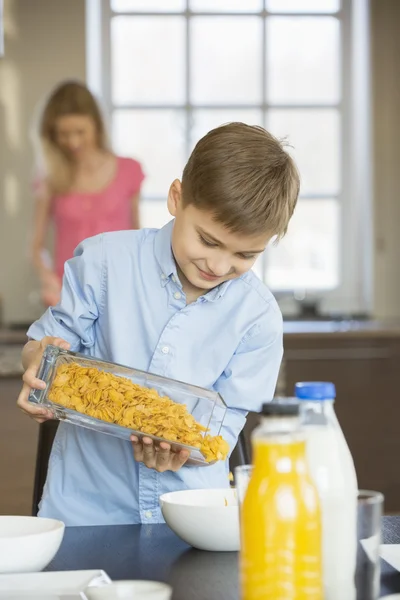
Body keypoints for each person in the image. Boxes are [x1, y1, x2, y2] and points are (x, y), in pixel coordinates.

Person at [17, 122, 300, 526]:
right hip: (85, 510)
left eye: (245, 255)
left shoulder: (258, 317)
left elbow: (224, 428)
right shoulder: (103, 262)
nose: (218, 266)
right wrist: (36, 363)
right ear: (176, 198)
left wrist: (190, 448)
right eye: (208, 240)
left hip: (196, 518)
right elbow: (44, 344)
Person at [30, 80, 144, 306]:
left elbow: (138, 238)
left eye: (80, 132)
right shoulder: (50, 179)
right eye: (63, 134)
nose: (73, 142)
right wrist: (48, 278)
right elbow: (36, 247)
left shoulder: (129, 170)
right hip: (69, 294)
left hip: (120, 291)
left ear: (97, 126)